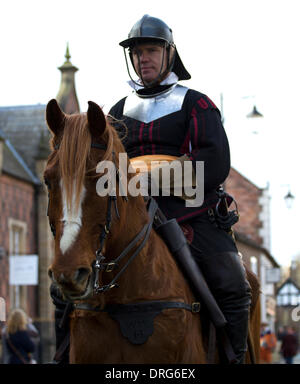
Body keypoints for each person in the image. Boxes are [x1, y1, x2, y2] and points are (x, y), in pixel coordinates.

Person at [50, 14, 251, 364]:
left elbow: (214, 164)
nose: (144, 58)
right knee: (67, 282)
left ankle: (235, 357)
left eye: (152, 50)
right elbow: (104, 172)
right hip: (128, 214)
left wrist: (144, 180)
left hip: (190, 212)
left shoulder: (197, 103)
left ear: (169, 54)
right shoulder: (116, 112)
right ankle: (62, 353)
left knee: (232, 281)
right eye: (138, 52)